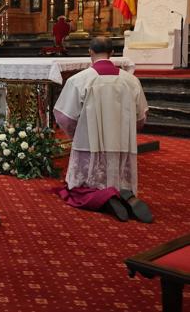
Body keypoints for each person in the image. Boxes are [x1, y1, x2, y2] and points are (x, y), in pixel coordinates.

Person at [53, 37, 151, 223]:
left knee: (77, 190)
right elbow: (141, 117)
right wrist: (127, 131)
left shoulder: (79, 80)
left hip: (88, 143)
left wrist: (75, 134)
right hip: (122, 143)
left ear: (90, 52)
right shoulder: (131, 81)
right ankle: (125, 195)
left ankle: (103, 198)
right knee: (120, 181)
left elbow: (64, 116)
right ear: (112, 53)